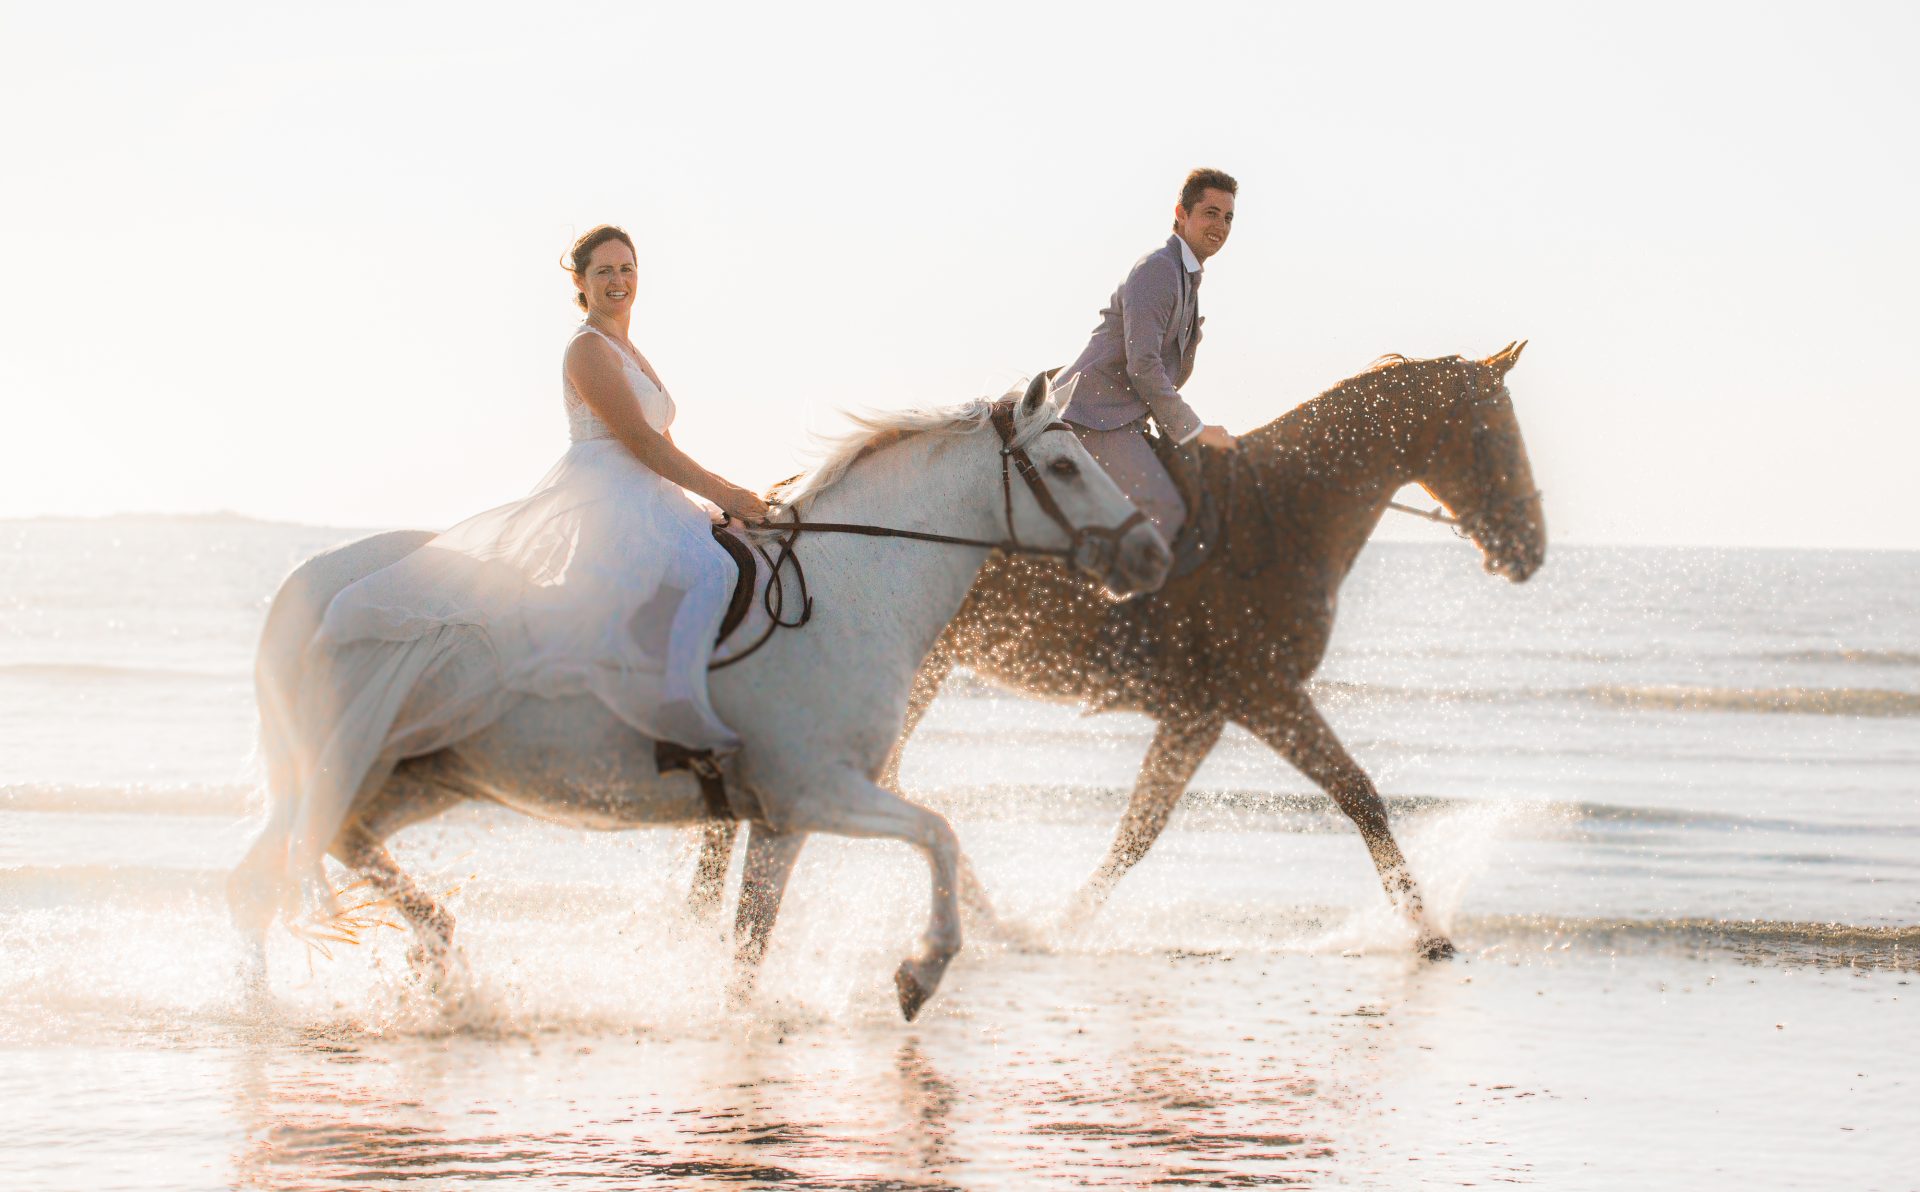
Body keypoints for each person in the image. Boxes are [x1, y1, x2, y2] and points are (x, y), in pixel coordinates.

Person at [272, 225, 767, 909]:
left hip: (649, 495)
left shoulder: (630, 347)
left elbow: (665, 445)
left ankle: (697, 709)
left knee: (717, 565)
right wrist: (729, 493)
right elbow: (640, 444)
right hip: (608, 496)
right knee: (700, 578)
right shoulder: (588, 350)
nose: (618, 280)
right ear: (581, 282)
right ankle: (678, 725)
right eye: (604, 271)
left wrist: (712, 508)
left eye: (627, 268)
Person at [1058, 168, 1239, 548]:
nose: (1220, 225)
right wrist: (1194, 429)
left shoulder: (1185, 275)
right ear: (1182, 213)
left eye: (1228, 217)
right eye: (1210, 212)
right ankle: (1121, 606)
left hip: (1121, 419)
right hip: (1095, 417)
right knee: (1164, 508)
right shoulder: (1159, 269)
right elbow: (1143, 367)